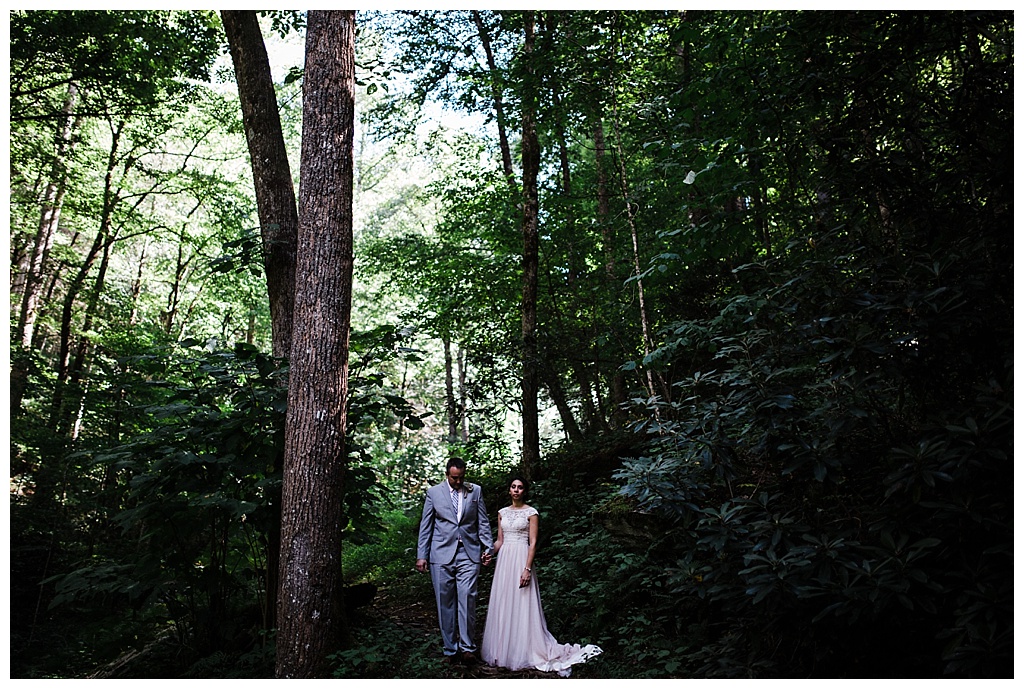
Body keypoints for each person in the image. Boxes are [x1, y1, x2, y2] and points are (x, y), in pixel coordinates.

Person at [481, 476, 602, 676]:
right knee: (504, 602)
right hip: (504, 562)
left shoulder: (531, 513)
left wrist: (527, 569)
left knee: (521, 602)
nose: (516, 490)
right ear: (509, 490)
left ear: (525, 491)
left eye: (520, 487)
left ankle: (525, 649)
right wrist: (488, 553)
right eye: (513, 487)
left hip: (521, 558)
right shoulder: (502, 512)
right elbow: (499, 541)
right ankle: (504, 649)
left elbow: (533, 543)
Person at [416, 457, 494, 664]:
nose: (458, 482)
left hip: (469, 553)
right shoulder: (433, 493)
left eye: (461, 477)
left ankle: (468, 648)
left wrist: (488, 547)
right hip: (440, 555)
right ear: (447, 474)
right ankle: (450, 649)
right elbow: (426, 526)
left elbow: (482, 521)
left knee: (467, 597)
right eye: (454, 478)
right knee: (445, 603)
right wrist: (421, 555)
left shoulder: (475, 491)